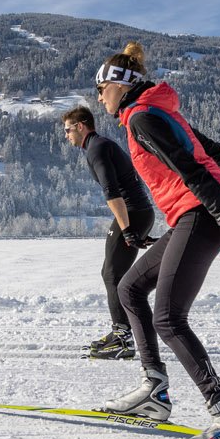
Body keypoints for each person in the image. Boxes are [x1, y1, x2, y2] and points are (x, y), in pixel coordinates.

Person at [92, 41, 220, 439]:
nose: (98, 97)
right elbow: (210, 150)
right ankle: (154, 390)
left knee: (170, 319)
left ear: (120, 86)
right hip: (193, 216)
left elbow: (191, 168)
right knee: (129, 288)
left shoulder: (142, 118)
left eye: (100, 88)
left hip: (201, 214)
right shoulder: (155, 113)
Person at [61, 105, 157, 360]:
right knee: (114, 274)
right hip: (138, 213)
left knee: (112, 275)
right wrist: (135, 229)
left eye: (68, 130)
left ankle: (123, 340)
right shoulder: (100, 145)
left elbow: (111, 192)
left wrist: (127, 230)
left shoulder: (97, 148)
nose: (67, 135)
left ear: (81, 126)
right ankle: (123, 334)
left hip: (133, 213)